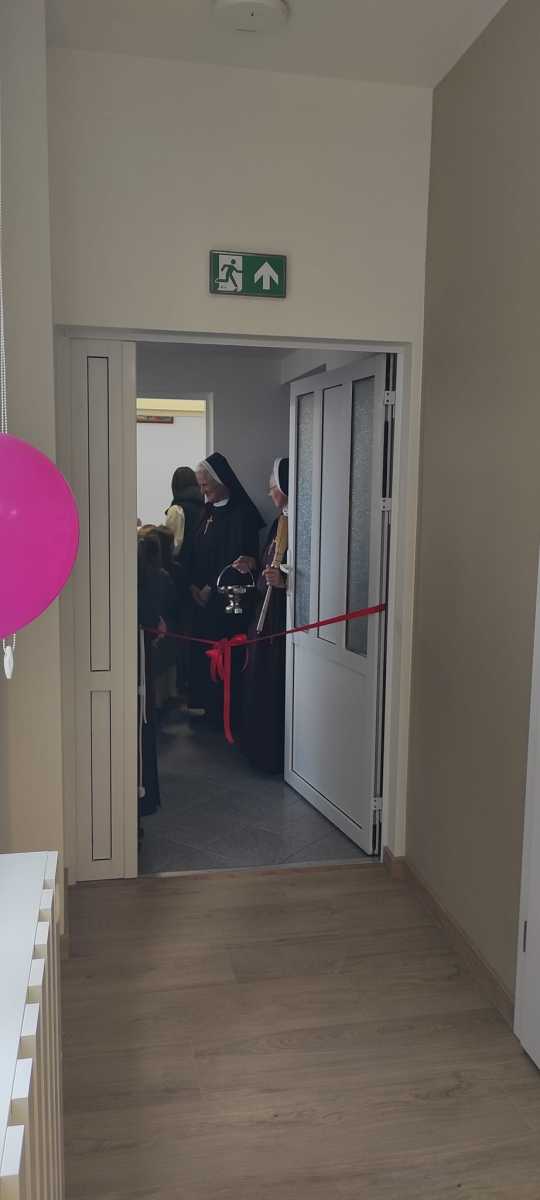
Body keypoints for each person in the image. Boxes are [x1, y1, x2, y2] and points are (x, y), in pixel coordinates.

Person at [189, 452, 264, 727]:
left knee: (228, 660)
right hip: (202, 600)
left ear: (220, 482)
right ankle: (210, 712)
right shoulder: (206, 511)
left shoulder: (241, 515)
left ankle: (228, 717)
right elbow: (195, 552)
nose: (202, 491)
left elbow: (237, 557)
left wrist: (210, 587)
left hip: (228, 603)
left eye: (205, 485)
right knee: (205, 656)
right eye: (200, 485)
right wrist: (192, 585)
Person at [238, 458, 289, 773]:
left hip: (282, 620)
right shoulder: (278, 522)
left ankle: (273, 756)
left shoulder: (300, 522)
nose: (269, 494)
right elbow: (268, 561)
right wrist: (253, 565)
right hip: (264, 616)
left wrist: (284, 583)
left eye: (273, 488)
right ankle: (255, 751)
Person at [164, 467, 204, 699]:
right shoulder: (204, 506)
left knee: (177, 632)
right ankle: (192, 682)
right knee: (193, 630)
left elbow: (172, 547)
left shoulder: (177, 509)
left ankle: (179, 684)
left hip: (179, 579)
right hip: (199, 577)